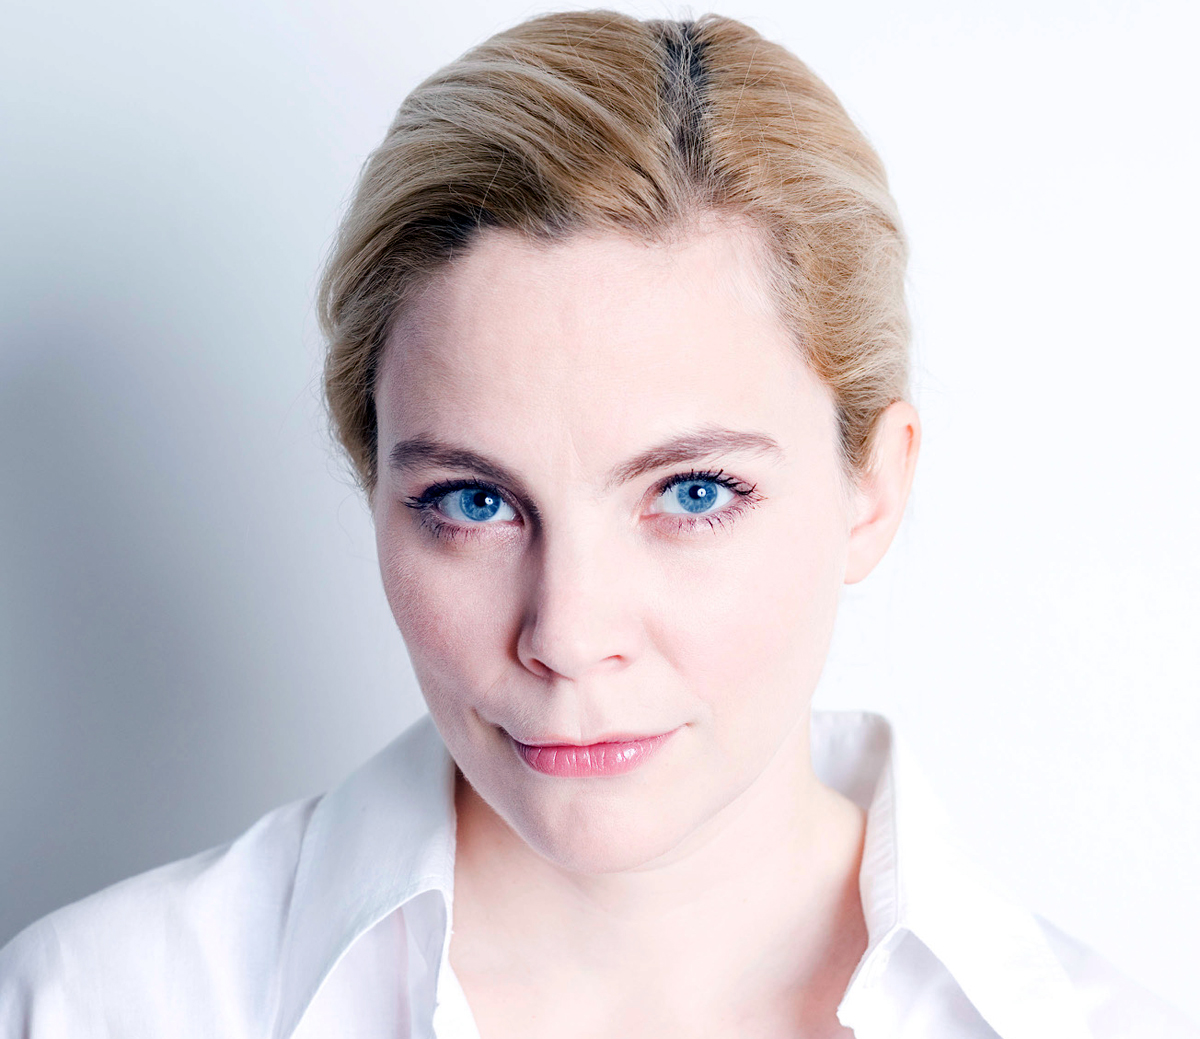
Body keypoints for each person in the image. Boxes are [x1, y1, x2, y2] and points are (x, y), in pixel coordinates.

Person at [0, 9, 1195, 1038]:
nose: (568, 635)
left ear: (872, 490)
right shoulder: (101, 1007)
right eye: (472, 502)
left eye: (694, 493)